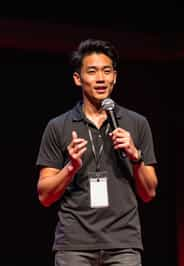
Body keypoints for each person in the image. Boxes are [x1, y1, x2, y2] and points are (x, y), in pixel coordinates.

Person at [36, 38, 158, 266]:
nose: (101, 78)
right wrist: (70, 168)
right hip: (74, 246)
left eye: (107, 71)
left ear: (115, 77)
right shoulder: (58, 126)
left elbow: (149, 193)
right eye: (92, 71)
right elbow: (44, 196)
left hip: (124, 245)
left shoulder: (137, 123)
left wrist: (136, 156)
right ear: (77, 78)